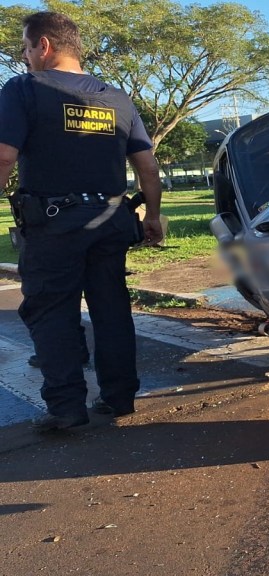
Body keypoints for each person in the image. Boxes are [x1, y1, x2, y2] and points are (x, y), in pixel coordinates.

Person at [0, 11, 163, 431]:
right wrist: (155, 216)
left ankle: (67, 408)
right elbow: (147, 165)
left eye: (25, 47)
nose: (24, 56)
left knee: (52, 310)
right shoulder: (118, 98)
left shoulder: (23, 89)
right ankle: (120, 397)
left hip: (54, 224)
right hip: (111, 221)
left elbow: (3, 156)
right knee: (111, 309)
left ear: (44, 46)